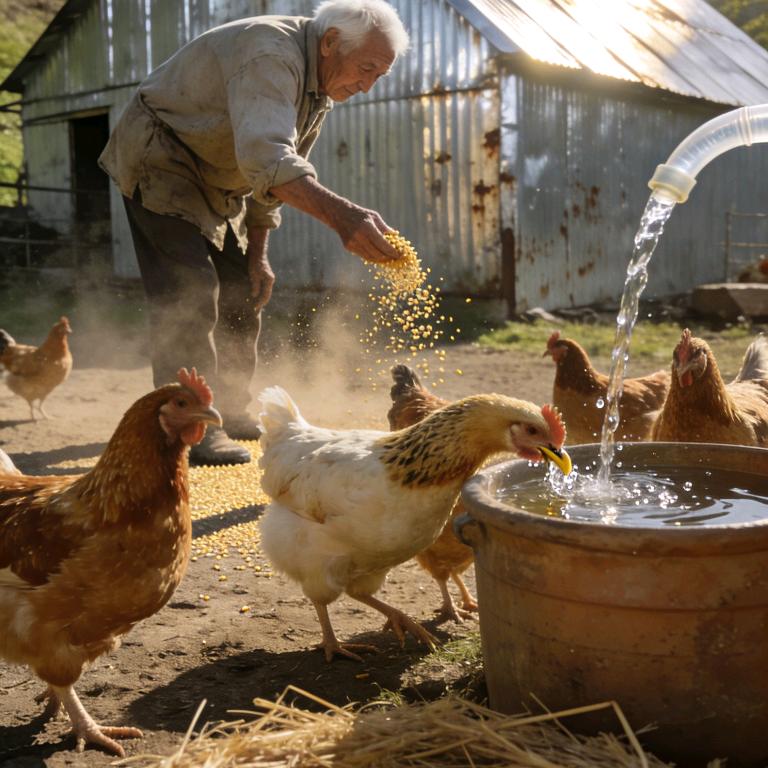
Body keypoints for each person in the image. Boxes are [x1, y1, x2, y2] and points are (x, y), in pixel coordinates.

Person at [99, 0, 409, 465]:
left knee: (244, 288)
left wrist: (258, 253)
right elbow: (270, 161)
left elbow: (275, 177)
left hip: (220, 178)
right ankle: (191, 425)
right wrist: (344, 217)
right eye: (365, 69)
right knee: (189, 289)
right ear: (329, 44)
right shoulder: (272, 55)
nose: (366, 85)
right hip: (163, 154)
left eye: (378, 77)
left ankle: (228, 410)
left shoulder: (318, 87)